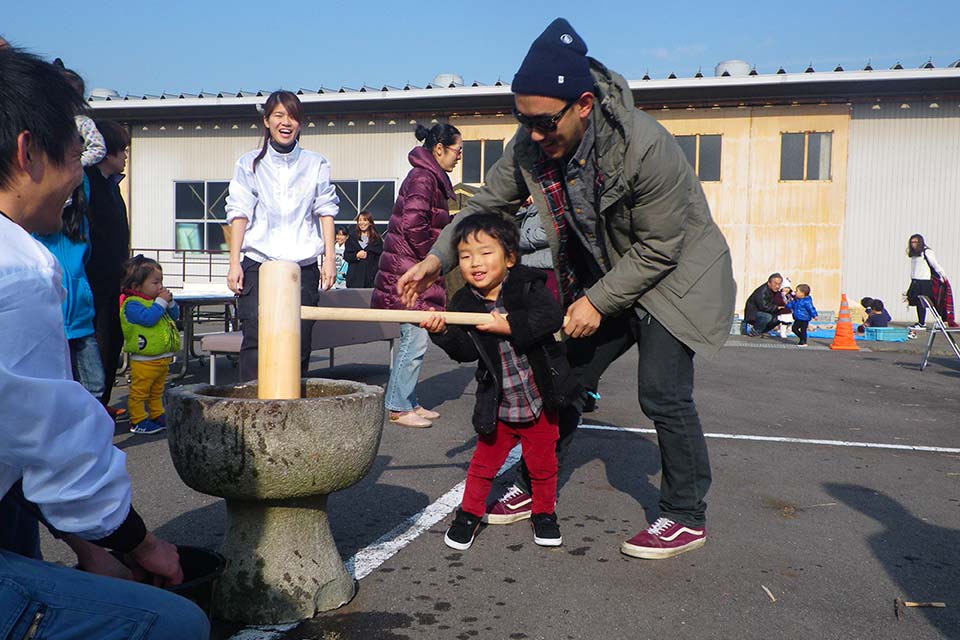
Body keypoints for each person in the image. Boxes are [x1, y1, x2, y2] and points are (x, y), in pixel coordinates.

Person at [398, 18, 735, 559]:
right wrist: (437, 259)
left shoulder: (645, 147)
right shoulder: (532, 143)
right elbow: (485, 204)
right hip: (610, 272)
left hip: (677, 276)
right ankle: (535, 483)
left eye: (543, 122)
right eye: (523, 121)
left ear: (583, 105)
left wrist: (596, 301)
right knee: (561, 375)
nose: (533, 134)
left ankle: (684, 515)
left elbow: (659, 248)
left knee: (662, 392)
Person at [0, 46, 208, 639]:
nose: (78, 181)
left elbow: (22, 442)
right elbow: (55, 441)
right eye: (73, 160)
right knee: (176, 623)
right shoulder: (17, 269)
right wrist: (140, 544)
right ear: (27, 152)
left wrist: (91, 549)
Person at [422, 213, 577, 550]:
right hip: (500, 403)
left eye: (485, 252)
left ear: (509, 257)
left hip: (540, 398)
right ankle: (468, 515)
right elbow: (465, 351)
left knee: (543, 465)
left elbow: (550, 317)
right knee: (482, 465)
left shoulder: (526, 284)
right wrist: (442, 333)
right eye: (465, 256)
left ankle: (544, 513)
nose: (475, 262)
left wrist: (508, 325)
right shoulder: (463, 302)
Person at [225, 90, 339, 381]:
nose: (286, 122)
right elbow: (239, 212)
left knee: (298, 342)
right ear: (266, 120)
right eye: (278, 115)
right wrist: (234, 263)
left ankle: (292, 405)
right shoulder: (249, 163)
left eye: (292, 117)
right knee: (255, 338)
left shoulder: (316, 163)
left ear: (300, 123)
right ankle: (251, 404)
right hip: (258, 263)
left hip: (303, 266)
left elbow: (325, 210)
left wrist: (329, 259)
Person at [371, 123, 461, 428]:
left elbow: (423, 222)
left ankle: (407, 400)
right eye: (458, 150)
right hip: (409, 272)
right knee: (415, 340)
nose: (459, 157)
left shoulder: (428, 176)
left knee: (415, 339)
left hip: (408, 268)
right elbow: (413, 224)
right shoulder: (425, 177)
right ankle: (398, 406)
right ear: (440, 149)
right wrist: (433, 258)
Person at [33, 182, 105, 401]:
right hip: (50, 320)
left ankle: (91, 422)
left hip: (81, 317)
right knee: (59, 386)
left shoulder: (79, 221)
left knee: (96, 385)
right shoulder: (37, 224)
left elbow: (79, 175)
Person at [85, 119, 131, 420]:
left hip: (115, 275)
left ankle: (103, 400)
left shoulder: (112, 186)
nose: (125, 156)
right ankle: (93, 406)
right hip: (94, 277)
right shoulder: (87, 183)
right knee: (98, 341)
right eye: (122, 150)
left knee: (113, 339)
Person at [120, 256, 181, 434]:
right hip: (144, 360)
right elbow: (148, 319)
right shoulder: (132, 304)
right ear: (136, 286)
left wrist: (170, 302)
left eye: (161, 282)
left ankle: (157, 414)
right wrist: (161, 302)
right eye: (155, 282)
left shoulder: (156, 302)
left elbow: (175, 316)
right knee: (140, 392)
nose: (160, 286)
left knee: (157, 391)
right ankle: (138, 420)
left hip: (161, 358)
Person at [906, 234, 947, 329]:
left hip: (924, 281)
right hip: (916, 281)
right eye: (912, 242)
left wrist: (943, 275)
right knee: (918, 302)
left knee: (929, 302)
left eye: (915, 242)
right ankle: (921, 322)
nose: (913, 244)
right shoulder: (914, 254)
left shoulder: (927, 252)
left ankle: (940, 320)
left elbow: (935, 264)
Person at [344, 211, 383, 288]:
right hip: (355, 280)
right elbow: (346, 256)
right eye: (359, 220)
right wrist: (356, 255)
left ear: (370, 222)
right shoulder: (352, 238)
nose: (362, 223)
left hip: (371, 280)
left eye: (365, 220)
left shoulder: (377, 240)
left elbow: (381, 258)